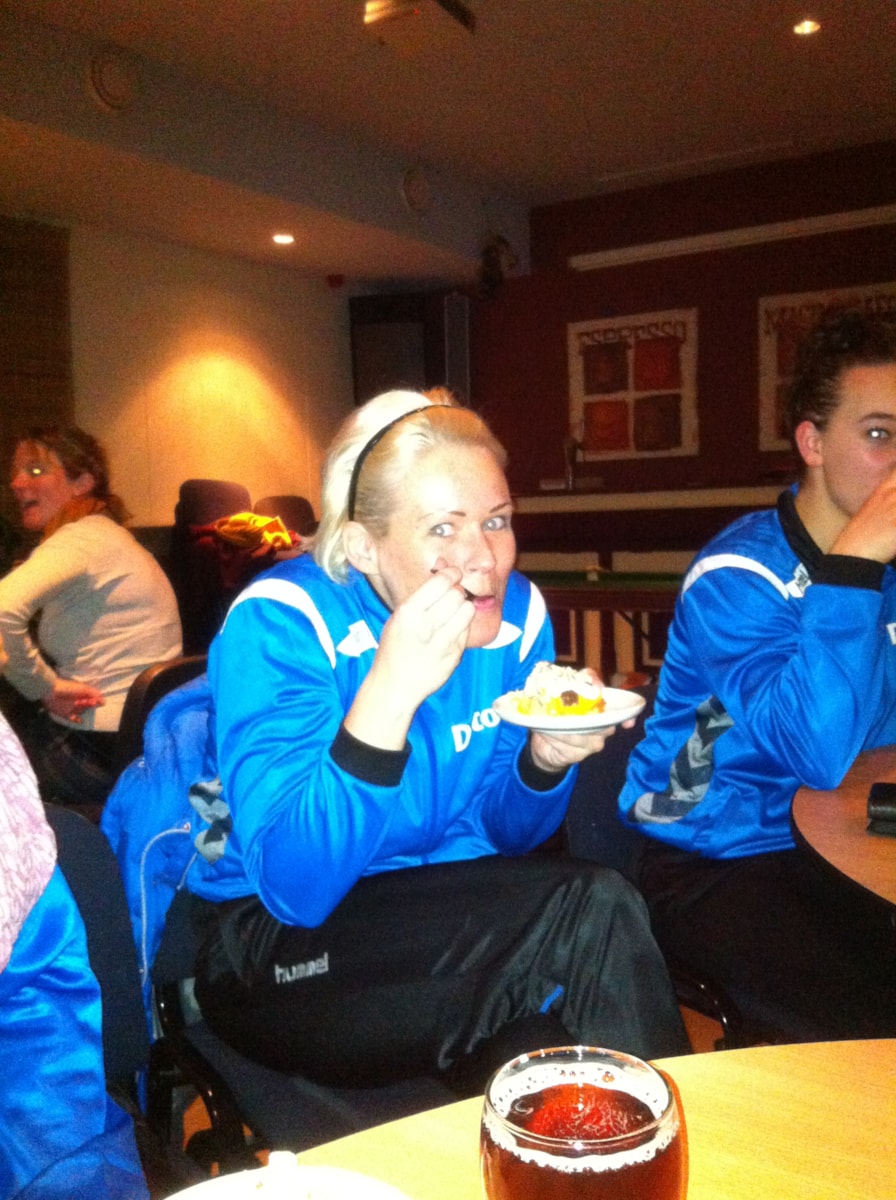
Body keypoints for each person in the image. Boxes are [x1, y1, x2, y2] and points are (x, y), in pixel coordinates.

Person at [106, 389, 689, 1095]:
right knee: (589, 912)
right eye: (443, 529)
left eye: (497, 520)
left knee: (550, 1065)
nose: (486, 558)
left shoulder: (517, 617)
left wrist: (542, 762)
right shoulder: (283, 621)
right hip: (268, 944)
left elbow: (505, 834)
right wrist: (388, 696)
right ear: (363, 546)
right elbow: (294, 886)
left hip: (431, 919)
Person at [616, 308, 896, 1041]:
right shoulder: (737, 577)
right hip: (711, 854)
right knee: (870, 1031)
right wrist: (853, 566)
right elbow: (818, 751)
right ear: (812, 442)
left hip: (843, 841)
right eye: (879, 434)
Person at [0, 635, 148, 1200]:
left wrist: (46, 689)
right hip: (121, 744)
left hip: (94, 747)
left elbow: (6, 615)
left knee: (34, 723)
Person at [0, 426, 182, 808]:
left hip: (98, 752)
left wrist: (43, 687)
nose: (16, 483)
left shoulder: (82, 538)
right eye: (16, 472)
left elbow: (2, 608)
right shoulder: (107, 537)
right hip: (145, 745)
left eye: (35, 470)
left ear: (82, 481)